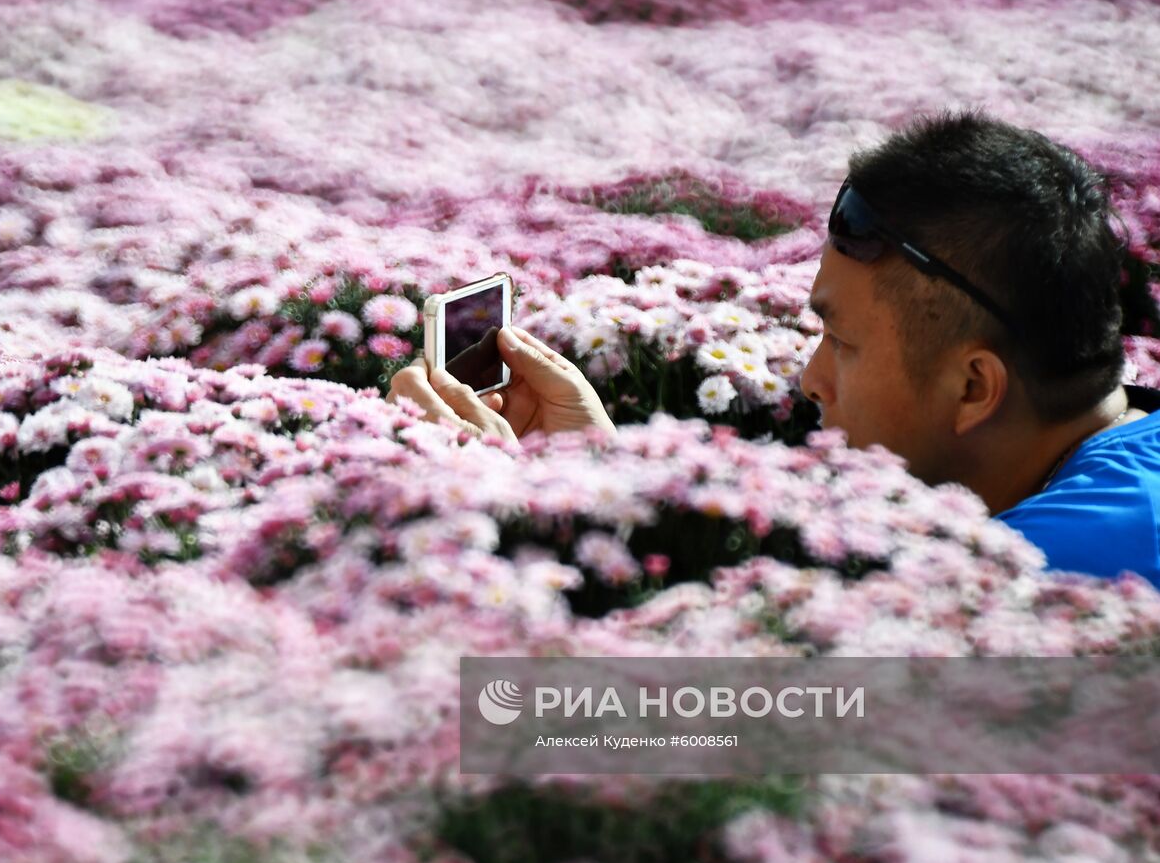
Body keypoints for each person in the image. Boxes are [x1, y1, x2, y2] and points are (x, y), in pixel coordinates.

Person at [387, 111, 1160, 585]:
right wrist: (601, 473)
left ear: (972, 389)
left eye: (843, 343)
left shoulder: (1056, 572)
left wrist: (523, 504)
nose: (810, 378)